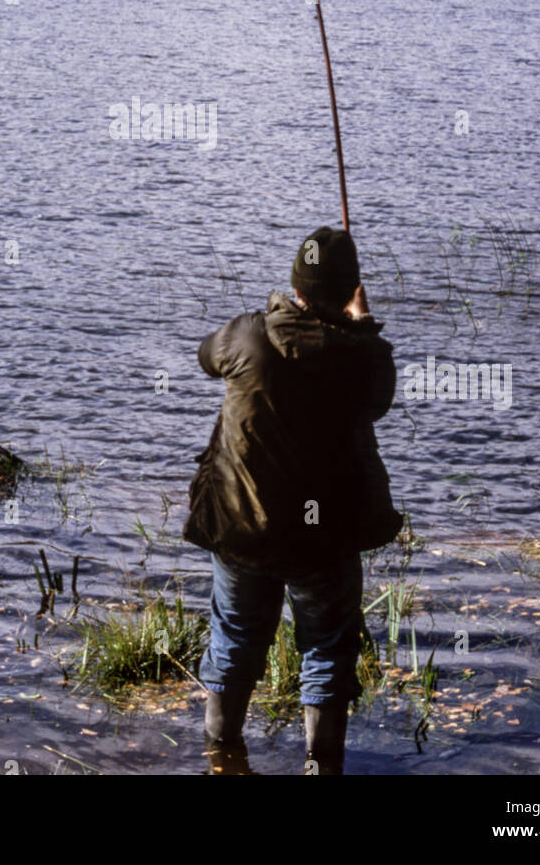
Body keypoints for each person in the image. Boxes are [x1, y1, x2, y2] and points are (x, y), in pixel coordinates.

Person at [183, 226, 401, 773]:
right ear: (350, 287)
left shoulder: (246, 336)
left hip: (241, 526)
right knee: (326, 648)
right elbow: (378, 400)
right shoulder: (362, 356)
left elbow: (206, 356)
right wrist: (362, 325)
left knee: (235, 638)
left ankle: (221, 757)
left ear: (295, 285)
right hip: (323, 539)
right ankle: (321, 764)